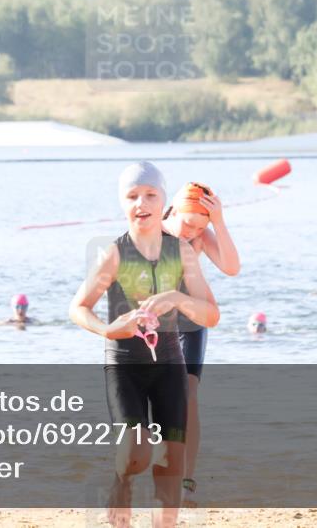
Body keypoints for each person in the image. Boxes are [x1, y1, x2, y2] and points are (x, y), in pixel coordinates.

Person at [70, 162, 219, 528]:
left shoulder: (182, 252)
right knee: (136, 455)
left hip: (170, 364)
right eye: (133, 196)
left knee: (171, 468)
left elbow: (211, 314)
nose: (142, 203)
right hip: (125, 366)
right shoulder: (114, 254)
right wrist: (109, 329)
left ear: (163, 202)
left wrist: (177, 298)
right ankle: (120, 483)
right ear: (123, 203)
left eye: (150, 195)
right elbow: (78, 307)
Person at [161, 181, 239, 506]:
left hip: (192, 323)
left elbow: (232, 268)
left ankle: (187, 482)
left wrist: (218, 223)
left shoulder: (201, 236)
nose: (191, 231)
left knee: (189, 395)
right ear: (173, 211)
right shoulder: (151, 231)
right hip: (158, 325)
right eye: (188, 222)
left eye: (200, 226)